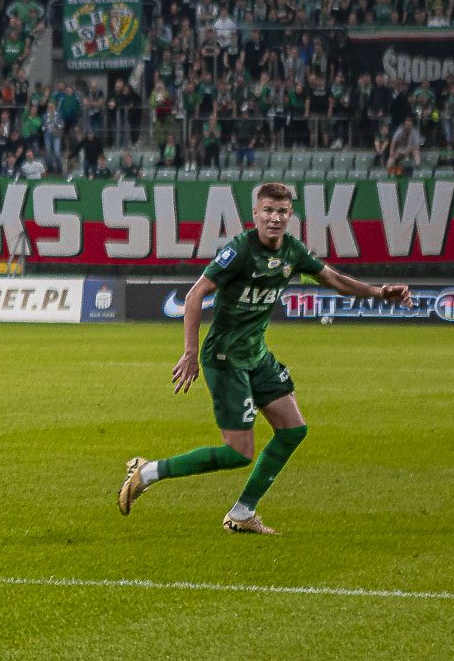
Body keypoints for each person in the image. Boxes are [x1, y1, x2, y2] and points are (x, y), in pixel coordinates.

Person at [117, 182, 409, 533]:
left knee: (293, 430)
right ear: (255, 214)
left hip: (256, 355)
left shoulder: (292, 251)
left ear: (290, 216)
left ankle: (242, 513)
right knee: (238, 452)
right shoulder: (240, 250)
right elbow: (195, 295)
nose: (275, 218)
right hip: (226, 358)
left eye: (282, 211)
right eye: (268, 210)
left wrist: (380, 292)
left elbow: (333, 279)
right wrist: (191, 352)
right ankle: (148, 472)